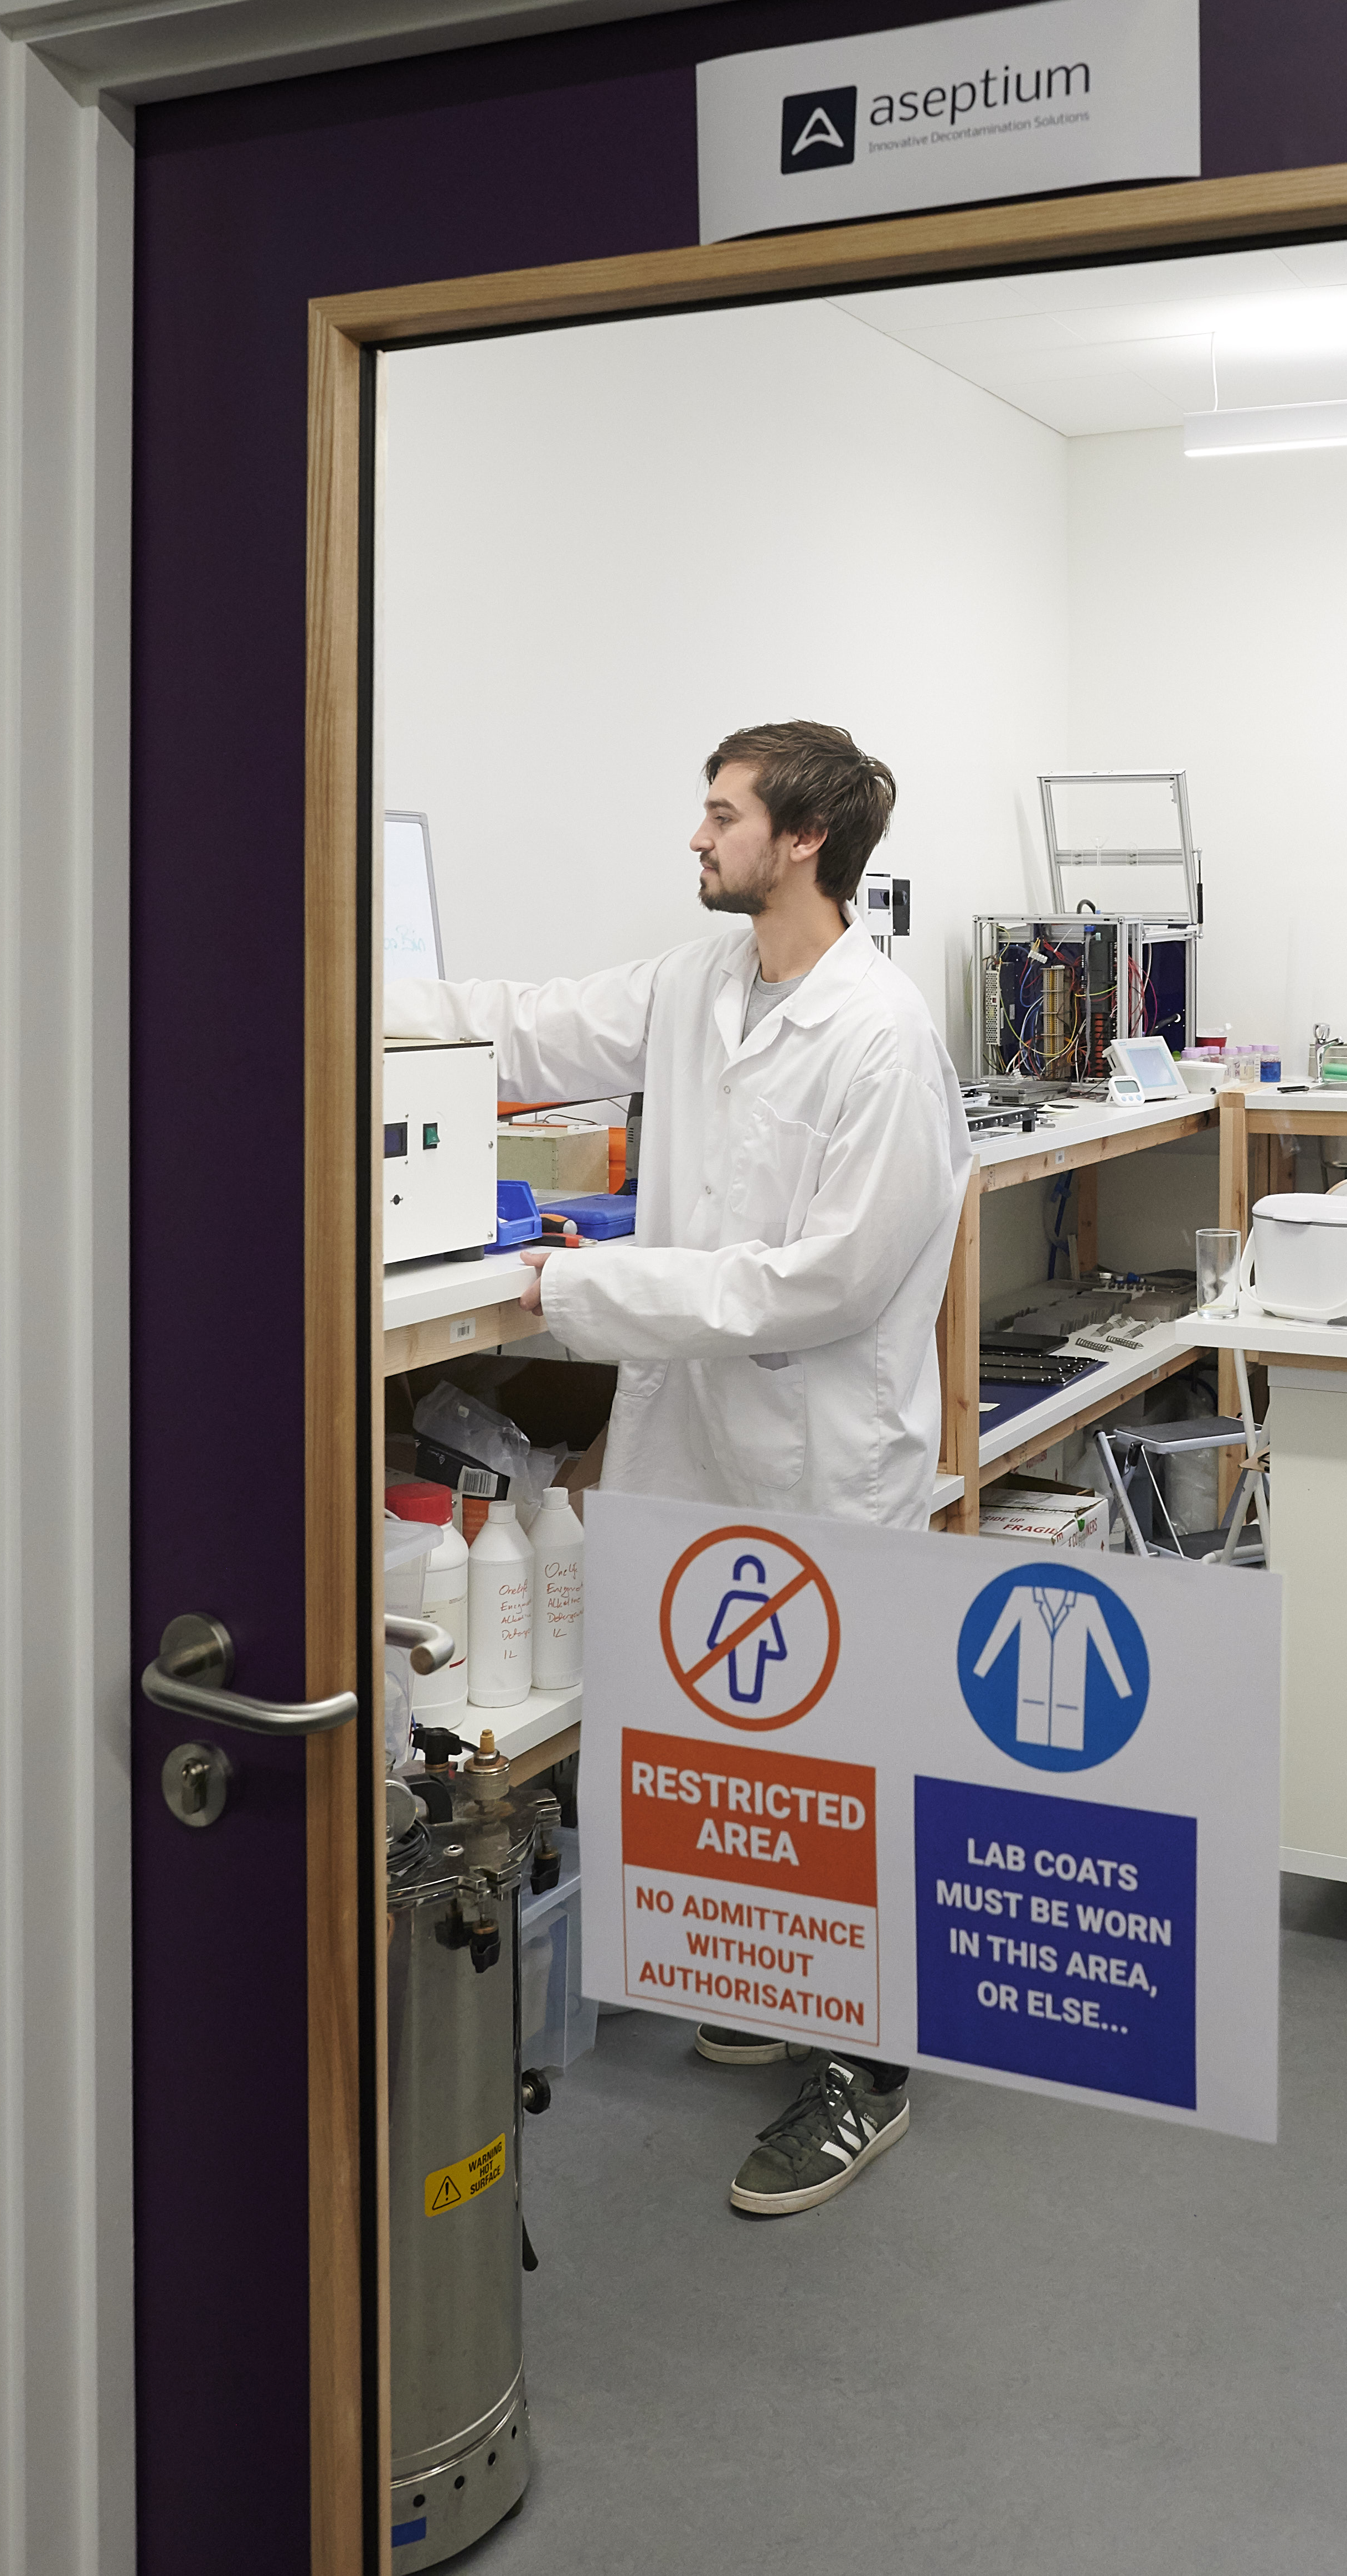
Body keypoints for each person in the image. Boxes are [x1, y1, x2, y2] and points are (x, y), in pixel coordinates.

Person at [387, 720, 971, 2213]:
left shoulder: (883, 1036)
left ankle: (870, 2069)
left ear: (802, 843)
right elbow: (520, 1026)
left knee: (847, 1759)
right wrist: (338, 979)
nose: (697, 839)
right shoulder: (698, 983)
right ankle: (784, 1986)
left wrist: (580, 1296)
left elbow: (818, 1285)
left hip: (823, 1459)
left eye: (721, 816)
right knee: (735, 1742)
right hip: (701, 1443)